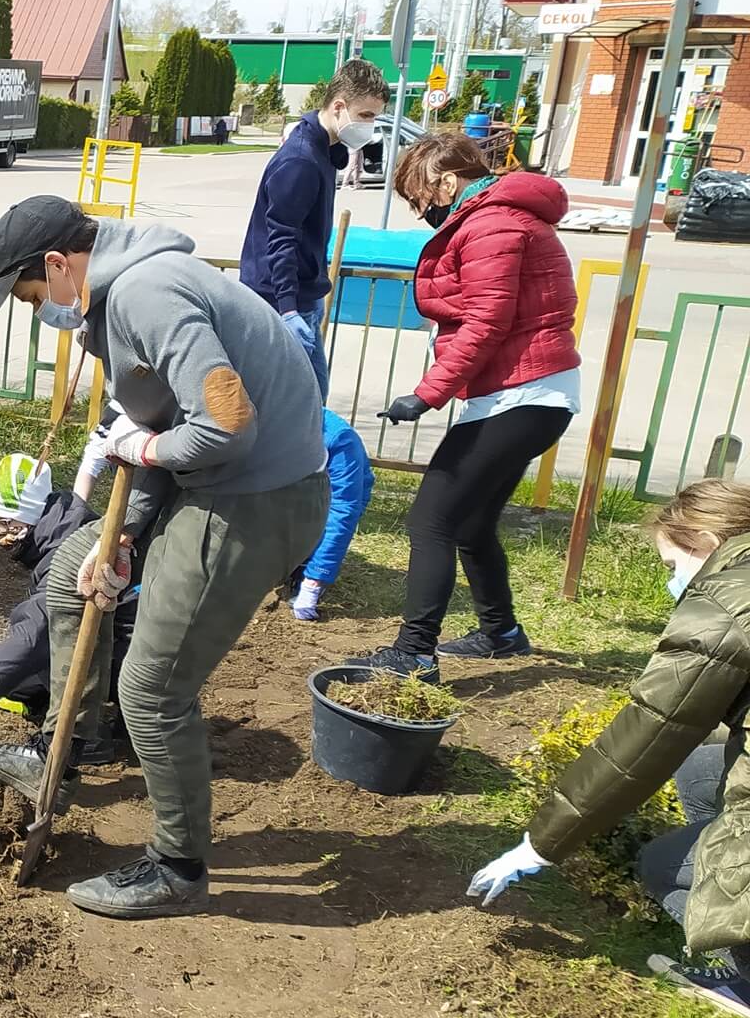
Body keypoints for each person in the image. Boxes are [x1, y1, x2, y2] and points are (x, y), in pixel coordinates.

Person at [0, 196, 328, 919]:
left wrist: (146, 448)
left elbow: (226, 426)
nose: (44, 313)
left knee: (152, 690)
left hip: (256, 497)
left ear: (60, 266)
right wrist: (119, 535)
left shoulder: (147, 293)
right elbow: (165, 420)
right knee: (72, 572)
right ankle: (51, 761)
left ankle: (177, 869)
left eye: (35, 296)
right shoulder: (118, 298)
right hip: (213, 481)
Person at [466, 480, 750, 1018]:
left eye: (672, 565)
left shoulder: (726, 606)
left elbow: (650, 732)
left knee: (662, 868)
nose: (673, 582)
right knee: (699, 763)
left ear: (708, 543)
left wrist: (541, 844)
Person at [350, 132, 580, 682]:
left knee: (432, 520)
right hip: (533, 393)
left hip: (521, 394)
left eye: (422, 196)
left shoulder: (491, 222)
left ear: (449, 181)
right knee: (473, 523)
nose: (422, 209)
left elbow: (488, 320)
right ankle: (501, 633)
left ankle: (414, 652)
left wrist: (427, 393)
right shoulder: (499, 216)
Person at [0, 455, 128, 766]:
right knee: (14, 679)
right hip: (123, 635)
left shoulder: (70, 548)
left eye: (7, 523)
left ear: (33, 513)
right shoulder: (60, 526)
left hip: (140, 648)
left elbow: (38, 627)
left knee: (65, 646)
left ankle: (92, 739)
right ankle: (45, 702)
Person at [240, 59, 391, 399]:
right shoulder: (301, 160)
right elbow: (281, 238)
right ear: (339, 107)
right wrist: (288, 308)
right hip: (278, 300)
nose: (370, 124)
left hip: (301, 295)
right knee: (296, 406)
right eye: (366, 115)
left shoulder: (321, 152)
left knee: (310, 401)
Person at [289, 409, 376, 622]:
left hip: (323, 502)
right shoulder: (262, 424)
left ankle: (307, 565)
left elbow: (343, 509)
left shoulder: (338, 439)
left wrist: (315, 579)